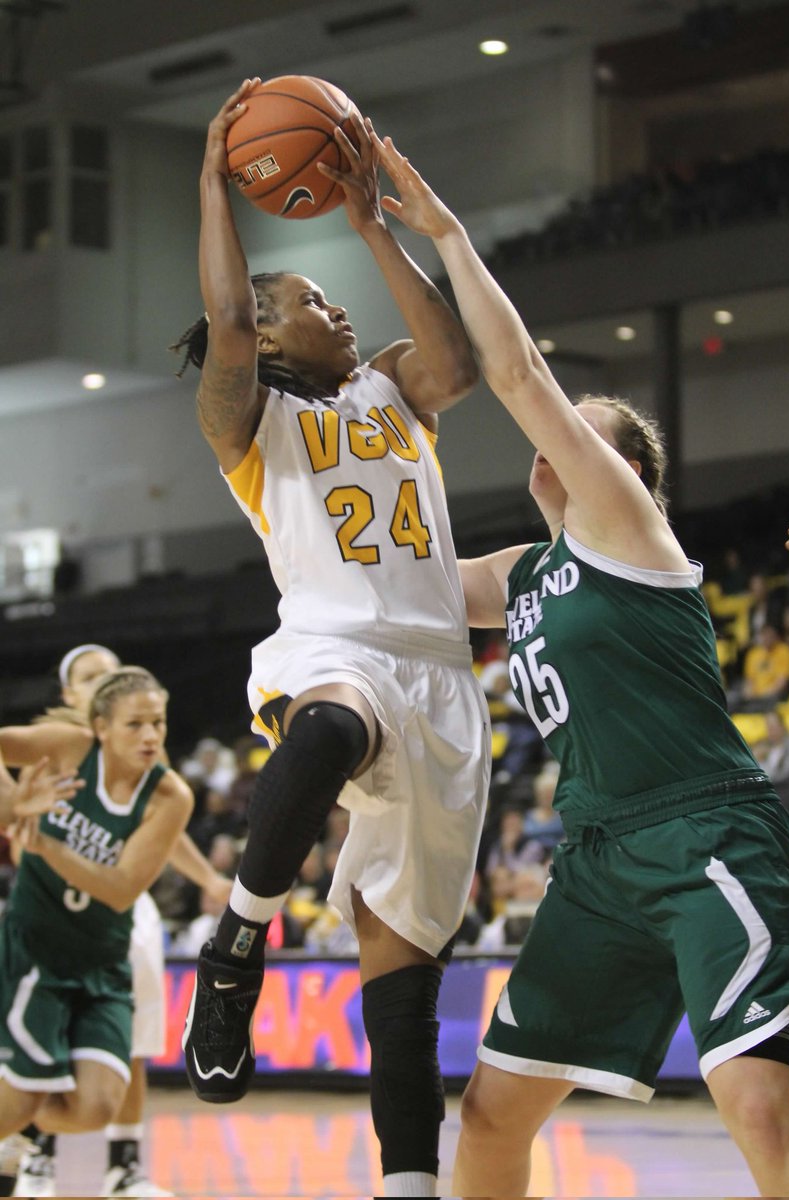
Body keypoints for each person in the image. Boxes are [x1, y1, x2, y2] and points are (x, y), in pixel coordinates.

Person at [369, 131, 789, 1197]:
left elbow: (512, 373)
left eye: (584, 436)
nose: (554, 443)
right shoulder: (523, 571)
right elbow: (384, 576)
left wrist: (444, 236)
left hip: (703, 828)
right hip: (597, 860)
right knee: (490, 1115)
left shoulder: (626, 530)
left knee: (757, 1102)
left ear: (628, 474)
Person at [171, 79, 490, 1197]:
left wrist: (367, 226)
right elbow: (221, 322)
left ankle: (406, 1184)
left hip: (443, 680)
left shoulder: (391, 390)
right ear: (264, 330)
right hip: (332, 649)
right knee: (322, 736)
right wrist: (215, 187)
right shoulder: (250, 426)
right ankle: (236, 945)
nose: (339, 312)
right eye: (313, 299)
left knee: (402, 988)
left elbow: (459, 366)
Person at [6, 644, 233, 1199]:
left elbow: (120, 889)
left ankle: (77, 1150)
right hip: (38, 951)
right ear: (101, 725)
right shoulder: (66, 747)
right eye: (137, 723)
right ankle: (23, 1141)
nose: (152, 734)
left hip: (104, 957)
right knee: (24, 1099)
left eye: (158, 721)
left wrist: (41, 843)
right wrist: (15, 808)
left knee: (92, 1105)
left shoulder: (169, 793)